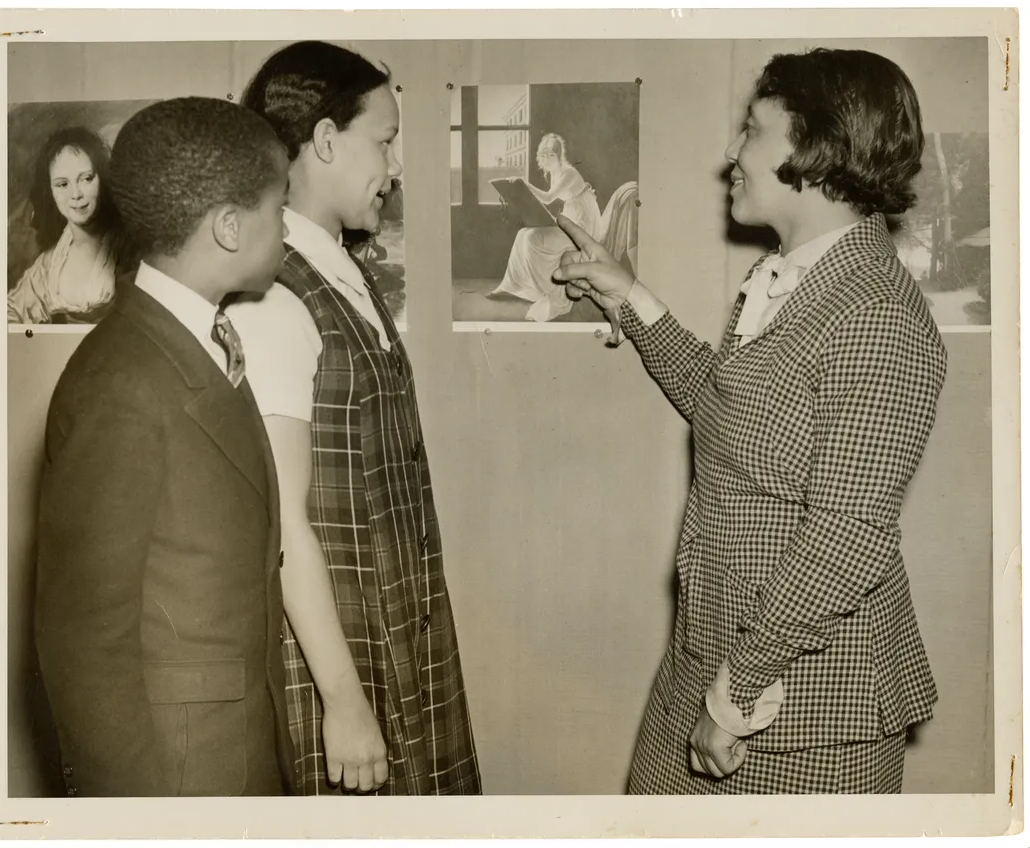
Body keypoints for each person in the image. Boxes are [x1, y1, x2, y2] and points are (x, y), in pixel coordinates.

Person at [553, 48, 947, 794]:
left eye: (752, 130)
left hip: (796, 706)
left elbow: (846, 534)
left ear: (816, 150)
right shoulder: (791, 279)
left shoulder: (876, 317)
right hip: (710, 656)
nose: (730, 153)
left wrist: (735, 697)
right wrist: (629, 297)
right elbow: (730, 410)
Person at [226, 40, 481, 796]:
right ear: (327, 140)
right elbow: (284, 525)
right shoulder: (273, 295)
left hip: (398, 628)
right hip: (342, 657)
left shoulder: (341, 269)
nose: (396, 167)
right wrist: (343, 704)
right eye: (386, 140)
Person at [34, 97, 296, 797]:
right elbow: (86, 642)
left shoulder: (191, 338)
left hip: (233, 748)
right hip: (176, 779)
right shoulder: (121, 380)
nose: (288, 231)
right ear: (231, 227)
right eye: (281, 207)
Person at [8, 127, 122, 324]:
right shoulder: (50, 264)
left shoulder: (127, 247)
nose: (76, 194)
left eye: (86, 179)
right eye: (62, 184)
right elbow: (9, 313)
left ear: (102, 179)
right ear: (50, 191)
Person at [488, 133, 602, 322]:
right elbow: (552, 197)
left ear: (559, 156)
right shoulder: (554, 172)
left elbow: (548, 198)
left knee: (533, 239)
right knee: (522, 234)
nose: (547, 159)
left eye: (551, 155)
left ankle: (549, 292)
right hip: (572, 216)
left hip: (583, 224)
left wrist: (523, 184)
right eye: (544, 155)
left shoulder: (568, 173)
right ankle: (512, 286)